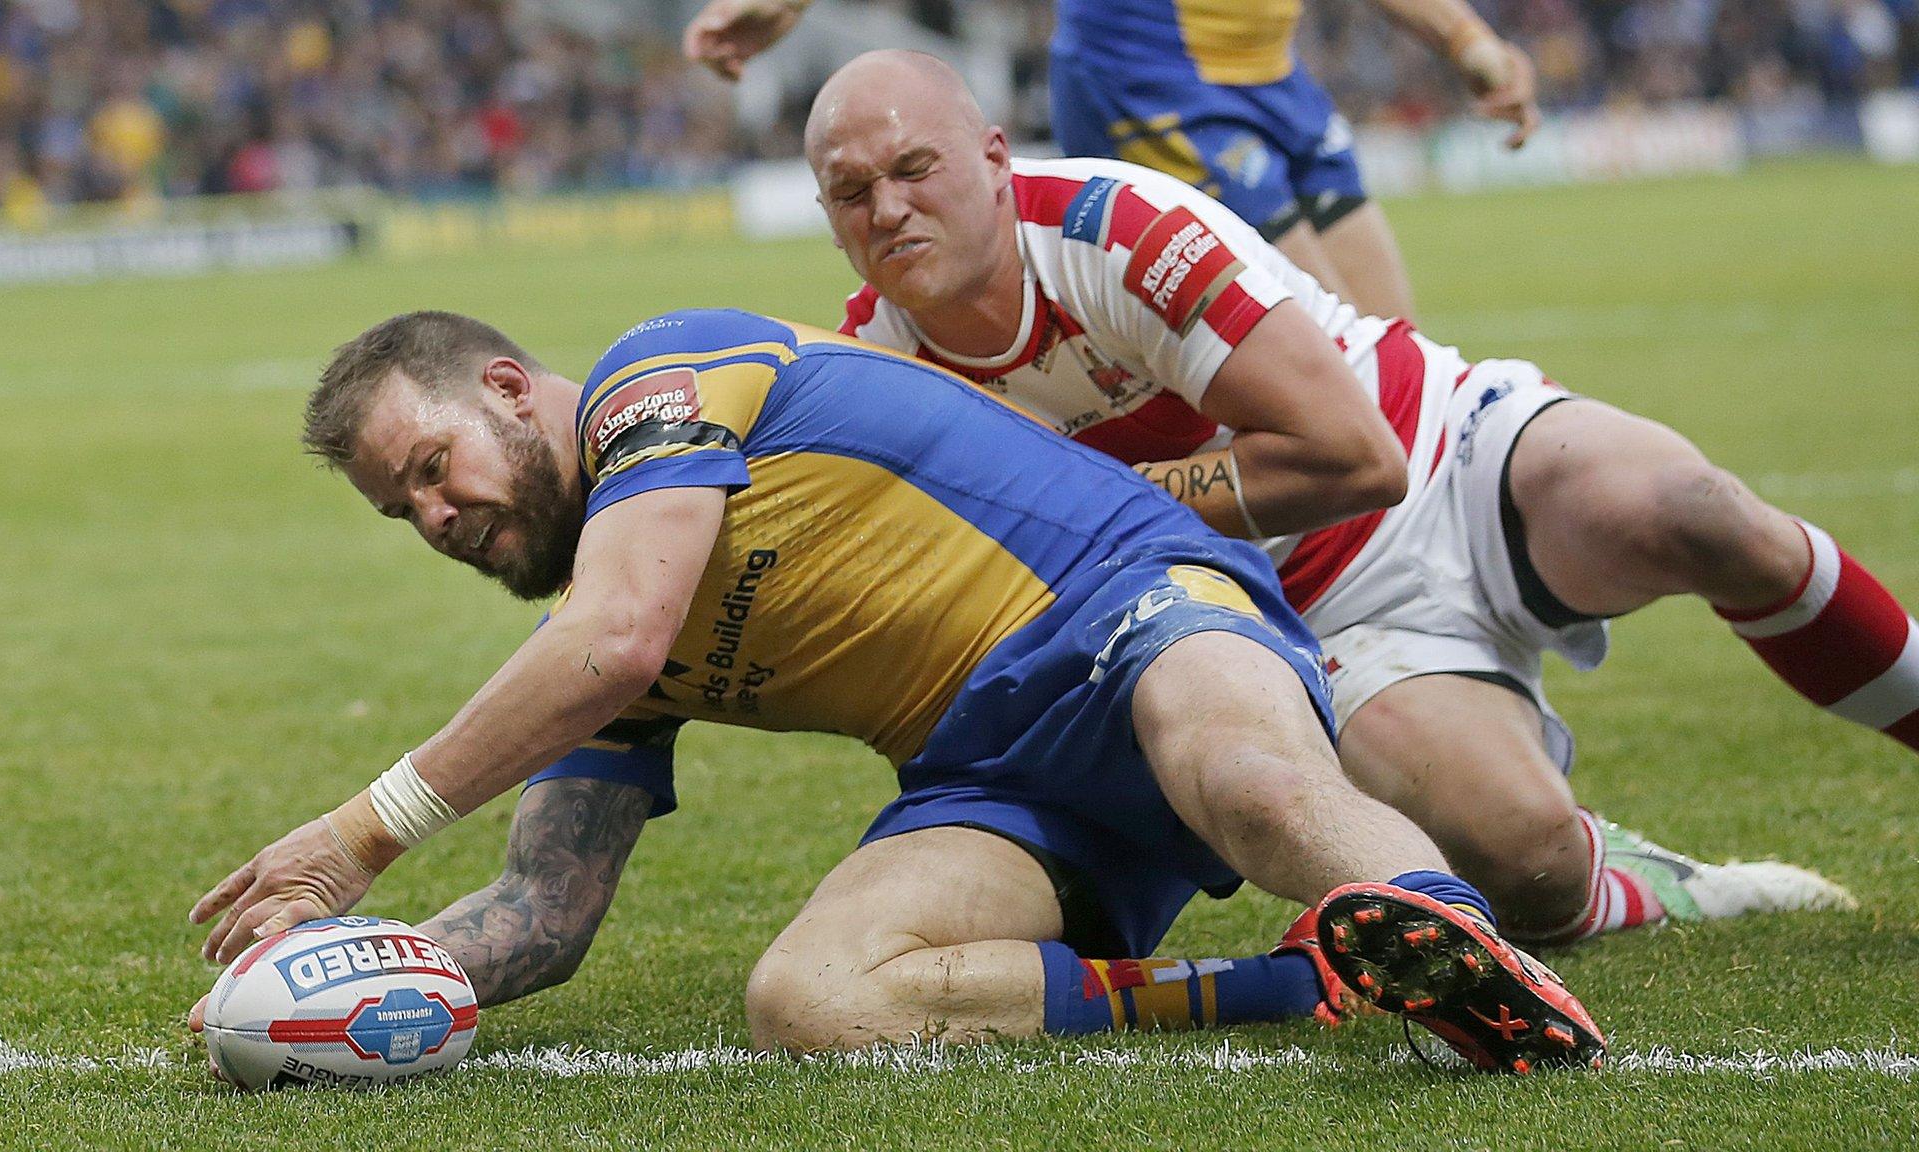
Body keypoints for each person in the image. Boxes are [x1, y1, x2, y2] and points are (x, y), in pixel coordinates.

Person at [189, 307, 1605, 1073]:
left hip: (1131, 607)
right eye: (403, 512)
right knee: (811, 1000)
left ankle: (1474, 956)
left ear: (507, 388)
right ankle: (1305, 985)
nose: (435, 518)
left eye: (434, 467)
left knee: (1245, 778)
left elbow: (613, 641)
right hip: (992, 780)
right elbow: (542, 919)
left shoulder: (657, 382)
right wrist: (315, 988)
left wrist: (358, 836)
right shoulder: (602, 622)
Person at [804, 52, 1893, 944]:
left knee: (1693, 510)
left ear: (994, 158)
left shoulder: (1113, 233)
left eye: (915, 168)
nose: (888, 209)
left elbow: (1355, 457)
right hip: (1317, 620)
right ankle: (1639, 880)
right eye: (852, 193)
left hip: (1439, 455)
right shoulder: (884, 375)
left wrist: (1113, 499)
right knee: (1526, 861)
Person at [683, 0, 1542, 320]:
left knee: (1398, 357)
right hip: (1147, 75)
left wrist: (1469, 40)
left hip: (1271, 75)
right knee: (1322, 363)